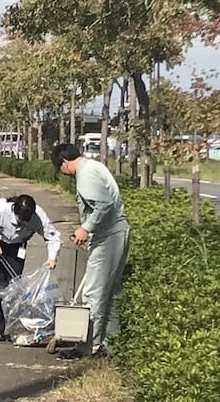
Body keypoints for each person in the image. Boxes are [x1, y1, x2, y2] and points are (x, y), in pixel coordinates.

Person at [51, 143, 130, 359]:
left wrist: (86, 228)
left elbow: (103, 205)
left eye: (60, 169)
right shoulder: (93, 167)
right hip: (114, 233)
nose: (63, 173)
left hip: (109, 236)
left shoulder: (85, 174)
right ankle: (110, 345)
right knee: (110, 293)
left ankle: (87, 347)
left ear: (65, 162)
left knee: (93, 293)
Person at [0, 194, 62, 342]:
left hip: (17, 246)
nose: (22, 223)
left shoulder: (38, 217)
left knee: (15, 285)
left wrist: (52, 257)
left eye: (26, 221)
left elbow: (53, 237)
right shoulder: (1, 209)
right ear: (14, 212)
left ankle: (14, 328)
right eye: (19, 220)